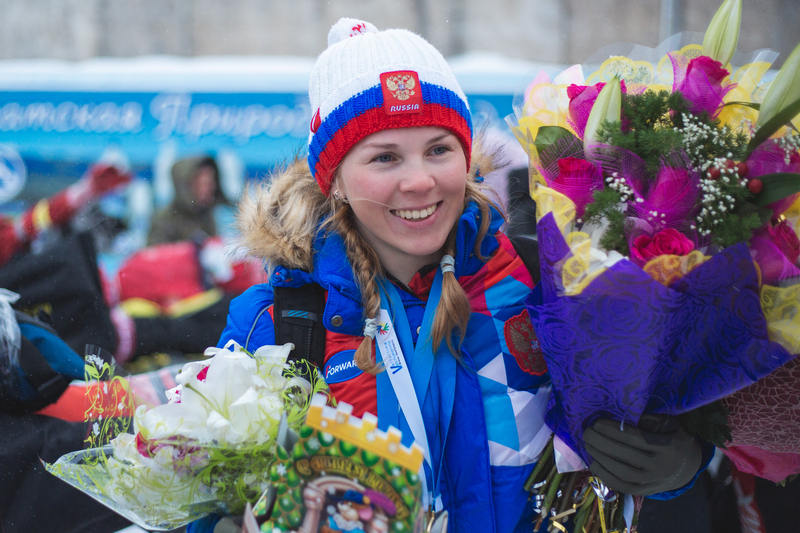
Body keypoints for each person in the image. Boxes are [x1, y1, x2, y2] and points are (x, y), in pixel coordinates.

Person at [195, 18, 707, 533]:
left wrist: (680, 463)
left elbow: (644, 416)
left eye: (439, 149)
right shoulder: (277, 324)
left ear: (466, 157)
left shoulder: (542, 284)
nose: (419, 181)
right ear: (337, 182)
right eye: (385, 157)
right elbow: (204, 495)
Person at [147, 155, 225, 246]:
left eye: (211, 181)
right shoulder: (164, 220)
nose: (210, 188)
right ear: (186, 186)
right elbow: (154, 256)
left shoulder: (209, 216)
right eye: (202, 182)